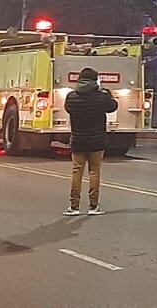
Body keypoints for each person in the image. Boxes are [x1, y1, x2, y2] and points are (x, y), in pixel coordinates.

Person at [64, 67, 119, 215]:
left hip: (78, 140)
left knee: (77, 172)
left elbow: (68, 109)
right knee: (94, 172)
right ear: (95, 81)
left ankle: (74, 207)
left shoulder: (71, 97)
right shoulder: (101, 97)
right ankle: (93, 206)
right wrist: (107, 93)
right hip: (97, 141)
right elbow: (113, 107)